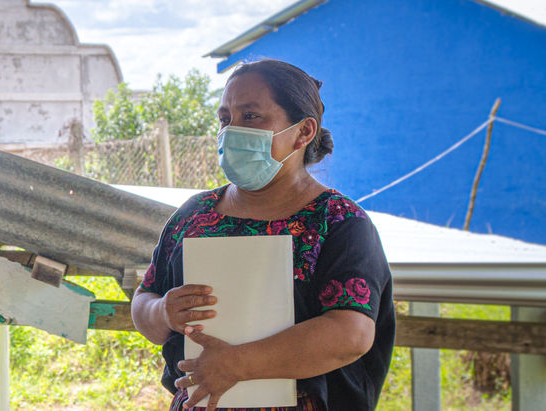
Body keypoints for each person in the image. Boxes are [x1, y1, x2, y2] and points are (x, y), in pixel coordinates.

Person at [131, 59, 394, 411]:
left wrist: (237, 363)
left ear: (303, 132)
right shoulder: (194, 215)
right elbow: (144, 299)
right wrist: (163, 311)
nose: (231, 130)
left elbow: (350, 334)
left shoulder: (339, 223)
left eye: (251, 116)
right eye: (225, 118)